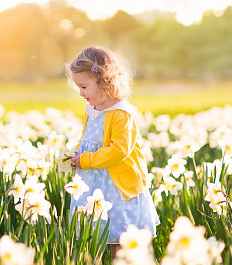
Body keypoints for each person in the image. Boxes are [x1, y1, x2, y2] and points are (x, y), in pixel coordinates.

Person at [67, 46, 160, 260]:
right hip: (94, 180)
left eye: (83, 87)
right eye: (78, 87)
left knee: (121, 237)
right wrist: (78, 153)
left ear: (104, 81)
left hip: (117, 186)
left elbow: (119, 151)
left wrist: (87, 159)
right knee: (97, 234)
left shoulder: (121, 113)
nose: (81, 93)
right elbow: (88, 137)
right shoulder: (92, 108)